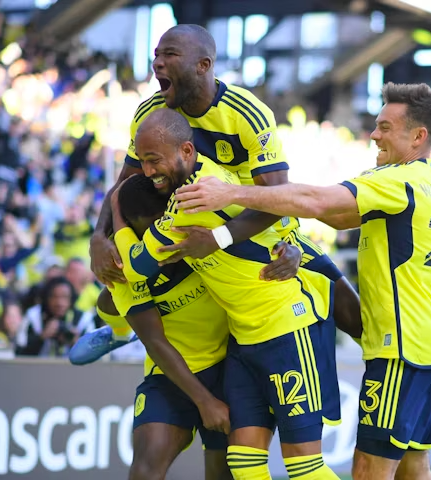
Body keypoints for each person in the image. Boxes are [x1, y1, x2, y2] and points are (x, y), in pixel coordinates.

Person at [173, 82, 431, 480]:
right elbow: (336, 217)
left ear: (418, 136)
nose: (374, 135)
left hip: (402, 351)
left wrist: (231, 193)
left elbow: (318, 202)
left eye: (385, 127)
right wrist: (290, 241)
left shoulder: (398, 180)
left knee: (368, 472)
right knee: (413, 469)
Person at [86, 23, 361, 361]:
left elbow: (277, 198)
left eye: (169, 54)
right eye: (155, 55)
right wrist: (99, 236)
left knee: (349, 309)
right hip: (181, 229)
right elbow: (127, 183)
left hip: (252, 230)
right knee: (114, 291)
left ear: (204, 65)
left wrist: (220, 239)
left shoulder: (247, 113)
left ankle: (387, 371)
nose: (157, 63)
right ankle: (118, 332)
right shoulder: (150, 112)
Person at [121, 108, 341, 480]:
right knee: (243, 464)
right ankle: (112, 331)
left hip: (288, 326)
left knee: (304, 468)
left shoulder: (193, 197)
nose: (146, 171)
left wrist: (114, 209)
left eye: (153, 160)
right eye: (141, 161)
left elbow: (136, 267)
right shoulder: (206, 182)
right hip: (242, 342)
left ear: (187, 151)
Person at [72, 173, 303, 479]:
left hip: (229, 366)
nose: (159, 239)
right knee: (145, 466)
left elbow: (270, 222)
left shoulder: (198, 230)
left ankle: (119, 329)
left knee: (223, 472)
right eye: (146, 232)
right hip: (171, 373)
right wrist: (204, 401)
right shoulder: (123, 262)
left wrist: (293, 250)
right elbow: (154, 341)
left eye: (161, 224)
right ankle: (119, 332)